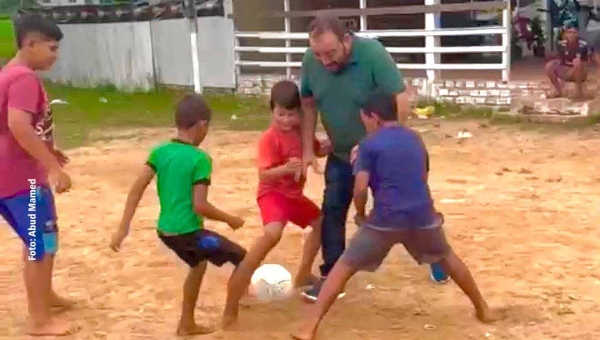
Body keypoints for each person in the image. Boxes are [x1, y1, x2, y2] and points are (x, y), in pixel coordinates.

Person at [292, 92, 502, 340]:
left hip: (385, 219)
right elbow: (421, 174)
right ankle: (482, 308)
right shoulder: (414, 138)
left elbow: (360, 188)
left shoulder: (368, 145)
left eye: (365, 120)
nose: (365, 125)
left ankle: (310, 328)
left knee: (343, 266)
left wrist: (361, 215)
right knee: (446, 257)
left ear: (374, 118)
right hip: (422, 214)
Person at [299, 13, 448, 301]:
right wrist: (308, 148)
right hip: (342, 155)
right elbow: (307, 103)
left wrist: (382, 143)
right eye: (318, 54)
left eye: (330, 53)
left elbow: (399, 99)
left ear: (346, 40)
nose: (324, 61)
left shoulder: (373, 54)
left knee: (406, 211)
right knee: (332, 210)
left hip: (382, 156)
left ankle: (437, 258)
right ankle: (331, 277)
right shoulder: (311, 60)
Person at [110, 93, 247, 336]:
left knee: (199, 264)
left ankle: (187, 323)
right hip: (189, 233)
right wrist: (230, 219)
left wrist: (123, 227)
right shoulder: (200, 159)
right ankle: (233, 316)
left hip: (166, 231)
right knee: (242, 258)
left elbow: (136, 190)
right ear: (202, 125)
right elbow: (200, 206)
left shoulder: (159, 152)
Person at [222, 80, 331, 328]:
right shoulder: (270, 138)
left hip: (293, 197)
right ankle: (237, 289)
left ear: (300, 113)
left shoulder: (302, 131)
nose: (285, 120)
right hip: (273, 194)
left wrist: (326, 148)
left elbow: (314, 150)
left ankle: (303, 273)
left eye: (291, 114)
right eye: (280, 114)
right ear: (272, 110)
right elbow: (263, 175)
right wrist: (284, 169)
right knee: (272, 234)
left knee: (320, 223)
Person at [0, 14, 75, 336]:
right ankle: (39, 320)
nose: (55, 55)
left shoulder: (8, 74)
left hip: (13, 176)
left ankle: (46, 297)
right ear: (30, 44)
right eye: (52, 48)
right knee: (41, 245)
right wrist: (53, 167)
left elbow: (17, 127)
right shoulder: (23, 79)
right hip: (22, 181)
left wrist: (48, 149)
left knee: (41, 240)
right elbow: (18, 125)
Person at [545, 24, 592, 99]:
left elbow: (587, 61)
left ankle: (579, 92)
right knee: (549, 65)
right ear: (565, 34)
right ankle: (559, 91)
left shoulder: (583, 44)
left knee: (577, 62)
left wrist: (577, 64)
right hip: (567, 69)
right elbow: (560, 60)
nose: (571, 35)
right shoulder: (561, 44)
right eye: (569, 32)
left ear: (577, 34)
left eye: (574, 33)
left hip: (579, 70)